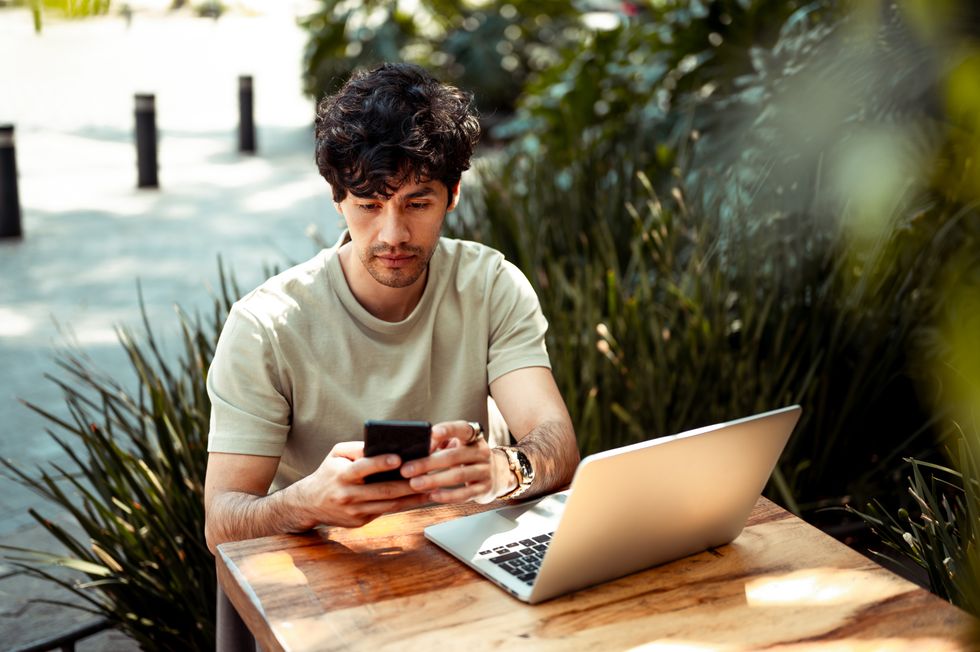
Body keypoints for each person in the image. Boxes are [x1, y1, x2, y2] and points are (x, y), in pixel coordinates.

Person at [203, 63, 579, 553]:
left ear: (453, 196)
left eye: (417, 204)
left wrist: (508, 468)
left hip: (465, 556)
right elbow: (221, 524)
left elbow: (557, 442)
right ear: (338, 200)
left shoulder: (491, 285)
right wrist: (306, 503)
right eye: (369, 204)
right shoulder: (265, 327)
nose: (393, 235)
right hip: (322, 582)